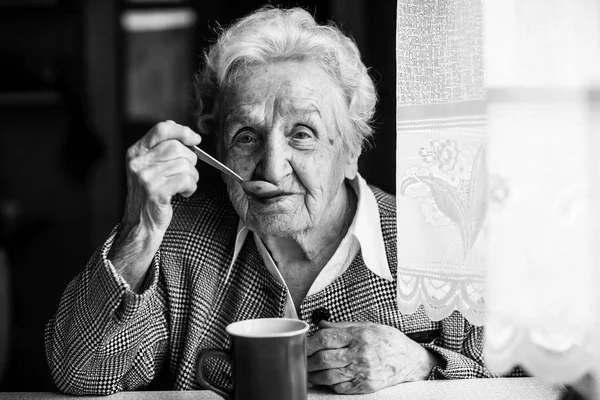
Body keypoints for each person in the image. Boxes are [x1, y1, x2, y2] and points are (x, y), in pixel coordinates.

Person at [45, 6, 514, 396]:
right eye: (246, 136)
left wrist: (425, 362)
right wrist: (140, 228)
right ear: (218, 148)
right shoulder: (173, 243)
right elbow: (81, 373)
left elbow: (550, 374)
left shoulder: (444, 243)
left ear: (351, 150)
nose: (271, 167)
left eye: (302, 134)